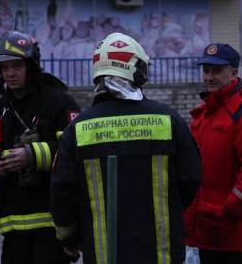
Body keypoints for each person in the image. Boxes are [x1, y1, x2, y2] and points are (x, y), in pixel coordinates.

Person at [50, 32, 202, 264]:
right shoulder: (170, 121)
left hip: (103, 255)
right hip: (161, 253)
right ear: (136, 70)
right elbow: (191, 179)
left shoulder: (78, 129)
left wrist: (68, 236)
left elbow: (62, 192)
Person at [0, 30, 80, 264]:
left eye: (16, 66)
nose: (9, 73)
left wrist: (32, 155)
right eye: (4, 68)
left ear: (31, 66)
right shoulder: (1, 109)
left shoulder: (58, 102)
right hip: (14, 228)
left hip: (53, 228)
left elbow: (75, 150)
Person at [184, 43, 242, 264]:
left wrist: (228, 212)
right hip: (205, 231)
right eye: (206, 70)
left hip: (230, 237)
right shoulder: (207, 113)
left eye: (216, 71)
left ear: (234, 73)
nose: (209, 77)